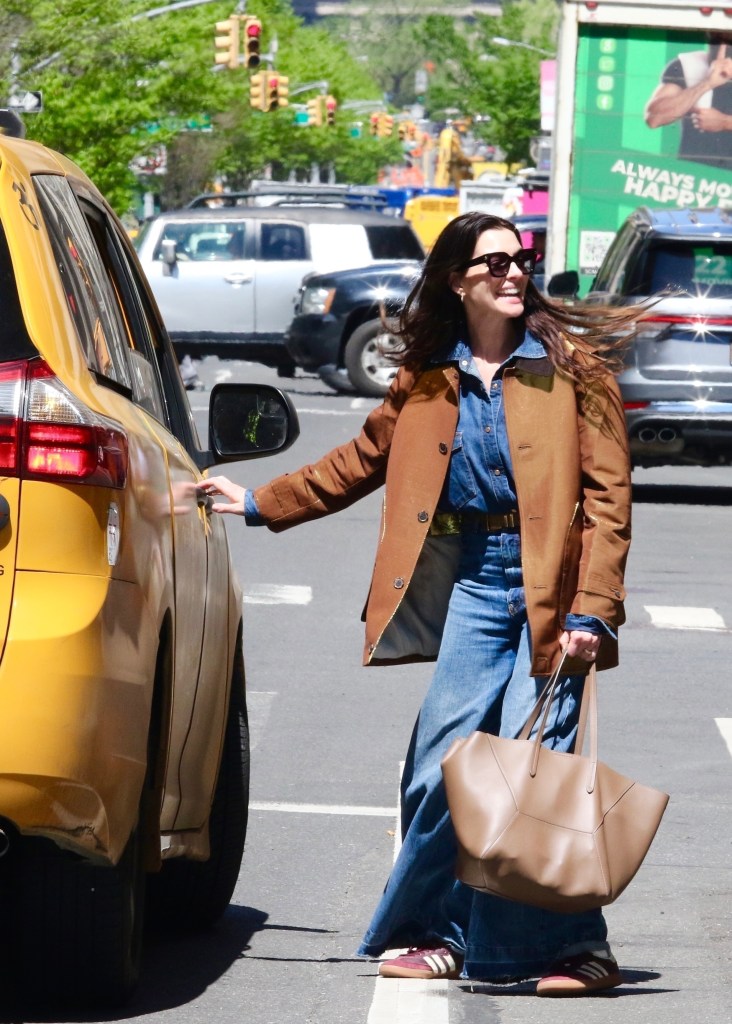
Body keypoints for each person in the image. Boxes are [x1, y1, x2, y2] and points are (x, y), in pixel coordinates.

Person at [201, 212, 641, 998]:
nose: (515, 273)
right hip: (476, 578)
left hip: (553, 584)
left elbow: (609, 501)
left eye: (522, 258)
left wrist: (591, 609)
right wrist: (259, 501)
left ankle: (575, 946)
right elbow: (359, 460)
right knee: (443, 768)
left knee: (527, 768)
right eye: (496, 261)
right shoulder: (428, 376)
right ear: (457, 279)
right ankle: (434, 932)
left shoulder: (573, 367)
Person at [645, 35, 732, 170]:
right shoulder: (688, 65)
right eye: (717, 39)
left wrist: (725, 122)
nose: (723, 46)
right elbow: (654, 118)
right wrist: (707, 83)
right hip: (693, 177)